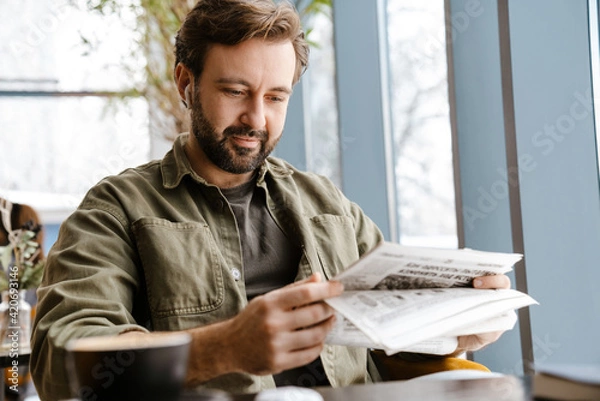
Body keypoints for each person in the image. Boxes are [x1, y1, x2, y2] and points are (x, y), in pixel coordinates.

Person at [30, 0, 511, 400]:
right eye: (236, 91)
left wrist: (452, 329)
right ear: (185, 83)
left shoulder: (328, 205)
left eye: (276, 97)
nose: (256, 118)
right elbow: (60, 361)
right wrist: (223, 349)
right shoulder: (117, 208)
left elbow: (385, 343)